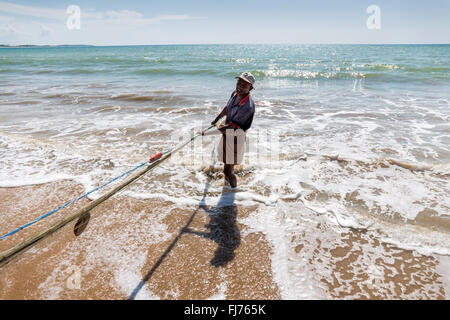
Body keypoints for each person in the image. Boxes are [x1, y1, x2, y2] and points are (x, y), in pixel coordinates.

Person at [202, 72, 256, 188]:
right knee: (225, 163)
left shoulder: (247, 107)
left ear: (250, 88)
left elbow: (231, 127)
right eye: (239, 82)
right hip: (227, 132)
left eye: (244, 85)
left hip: (236, 138)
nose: (240, 86)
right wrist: (217, 119)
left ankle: (232, 194)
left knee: (228, 170)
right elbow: (228, 107)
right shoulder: (235, 93)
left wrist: (207, 133)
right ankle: (227, 190)